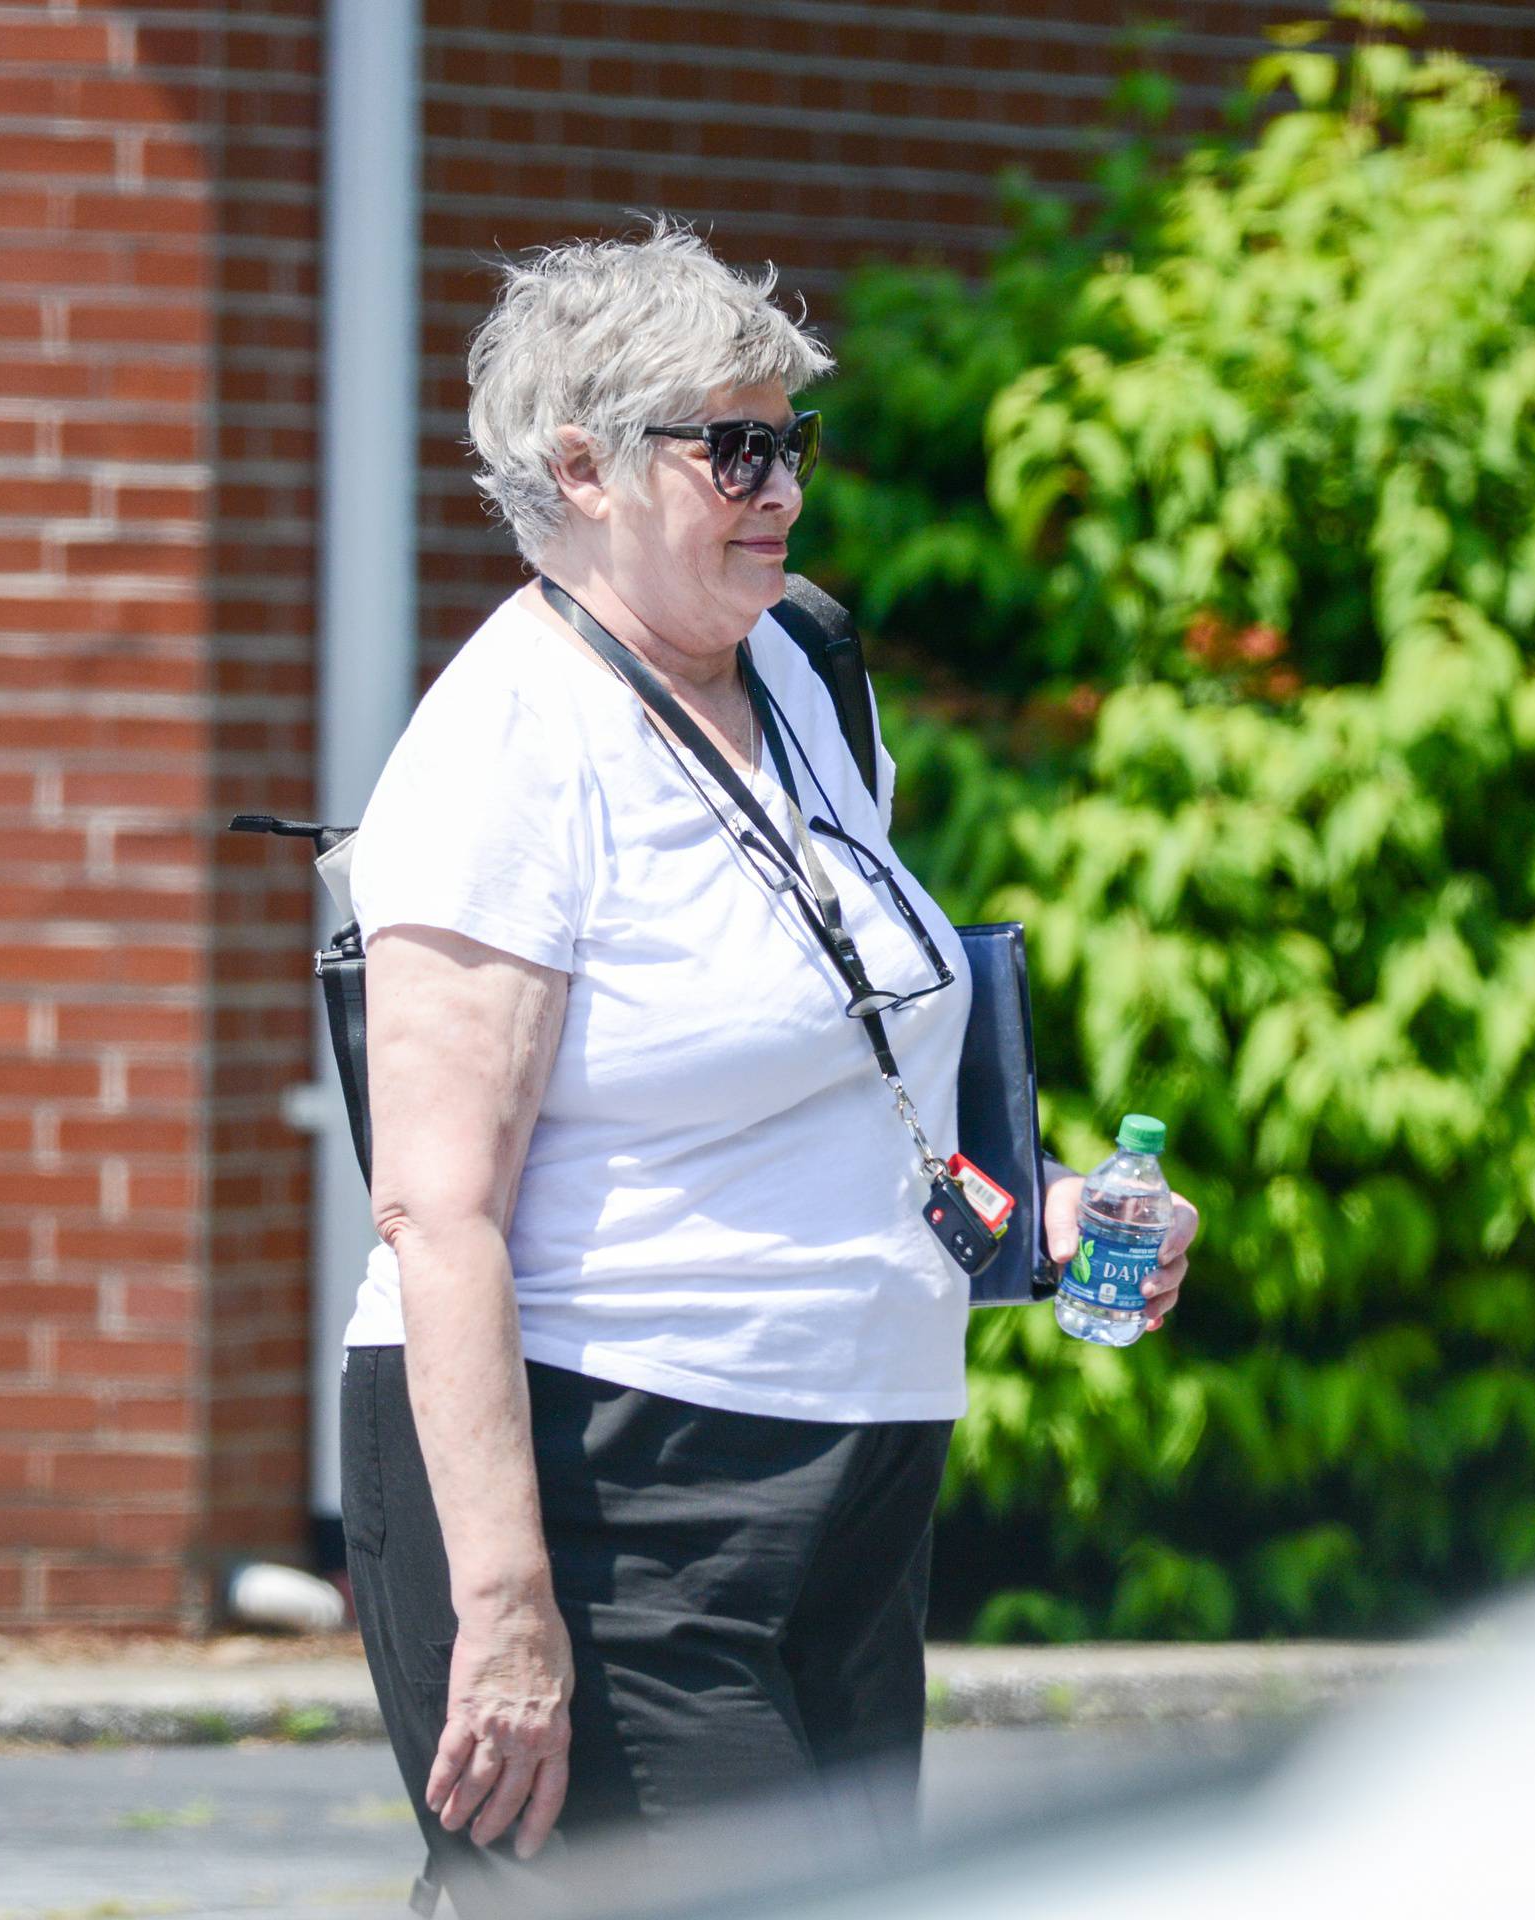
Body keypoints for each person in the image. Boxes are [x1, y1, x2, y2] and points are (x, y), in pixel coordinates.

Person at [339, 218, 1199, 1917]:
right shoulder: (504, 749)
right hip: (613, 1488)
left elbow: (843, 1051)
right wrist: (506, 1609)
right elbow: (436, 1213)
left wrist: (1043, 1213)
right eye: (729, 449)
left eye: (788, 442)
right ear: (578, 469)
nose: (778, 487)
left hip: (853, 1468)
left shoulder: (799, 669)